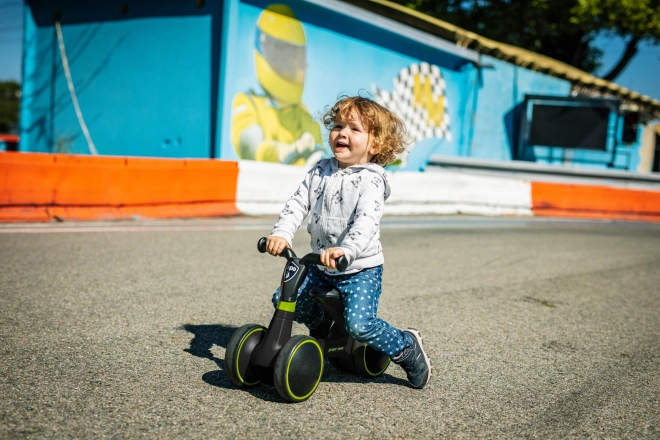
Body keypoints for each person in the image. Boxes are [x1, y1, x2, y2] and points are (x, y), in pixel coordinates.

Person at [265, 96, 432, 389]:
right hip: (320, 262)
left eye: (354, 129)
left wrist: (347, 250)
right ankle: (320, 324)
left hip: (358, 269)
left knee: (359, 325)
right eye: (338, 126)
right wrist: (281, 233)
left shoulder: (372, 180)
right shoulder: (320, 170)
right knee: (284, 300)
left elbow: (366, 222)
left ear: (375, 144)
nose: (342, 133)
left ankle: (407, 348)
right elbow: (297, 205)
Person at [230, 4, 326, 166]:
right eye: (283, 55)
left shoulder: (305, 117)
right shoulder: (248, 102)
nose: (291, 64)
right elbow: (249, 145)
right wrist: (284, 151)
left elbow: (319, 159)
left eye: (295, 57)